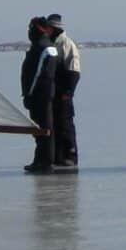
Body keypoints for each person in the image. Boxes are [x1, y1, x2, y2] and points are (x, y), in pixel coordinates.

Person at [45, 14, 82, 170]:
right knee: (56, 124)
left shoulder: (66, 44)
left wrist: (68, 92)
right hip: (54, 92)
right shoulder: (52, 43)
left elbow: (74, 70)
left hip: (64, 93)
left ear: (54, 28)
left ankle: (70, 155)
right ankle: (59, 156)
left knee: (65, 125)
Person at [22, 16, 59, 173]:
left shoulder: (44, 48)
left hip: (40, 95)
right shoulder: (40, 46)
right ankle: (40, 159)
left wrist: (29, 94)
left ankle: (45, 161)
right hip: (39, 94)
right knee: (40, 129)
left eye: (30, 29)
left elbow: (39, 74)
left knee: (44, 129)